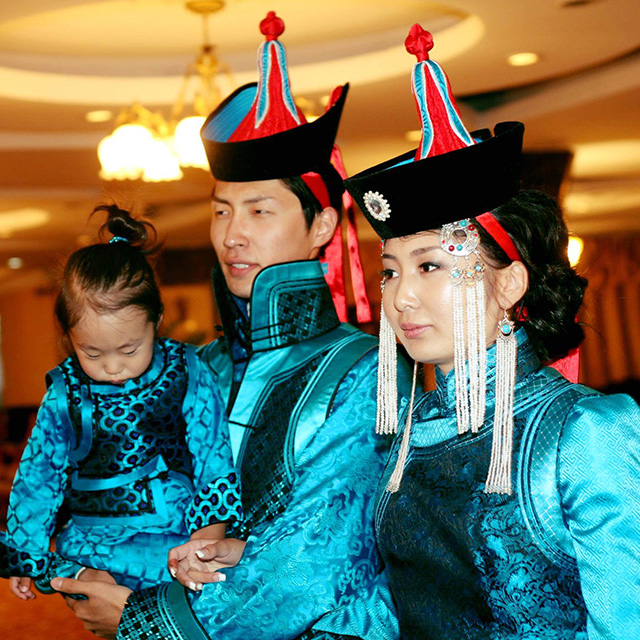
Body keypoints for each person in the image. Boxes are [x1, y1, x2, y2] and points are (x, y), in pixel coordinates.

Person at [52, 12, 409, 640]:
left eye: (259, 209)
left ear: (321, 226)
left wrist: (141, 621)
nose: (232, 235)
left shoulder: (366, 369)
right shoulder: (194, 367)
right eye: (221, 209)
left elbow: (314, 567)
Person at [343, 24, 640, 639]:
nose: (401, 295)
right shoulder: (409, 432)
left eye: (431, 266)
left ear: (509, 285)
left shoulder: (586, 433)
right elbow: (399, 606)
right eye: (391, 270)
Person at [0, 204, 240, 598]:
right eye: (91, 354)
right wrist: (24, 552)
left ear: (156, 320)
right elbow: (39, 475)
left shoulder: (188, 371)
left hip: (173, 535)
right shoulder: (66, 391)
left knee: (208, 585)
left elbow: (213, 457)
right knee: (75, 573)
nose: (113, 367)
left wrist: (207, 539)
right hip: (93, 540)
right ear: (70, 337)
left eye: (130, 349)